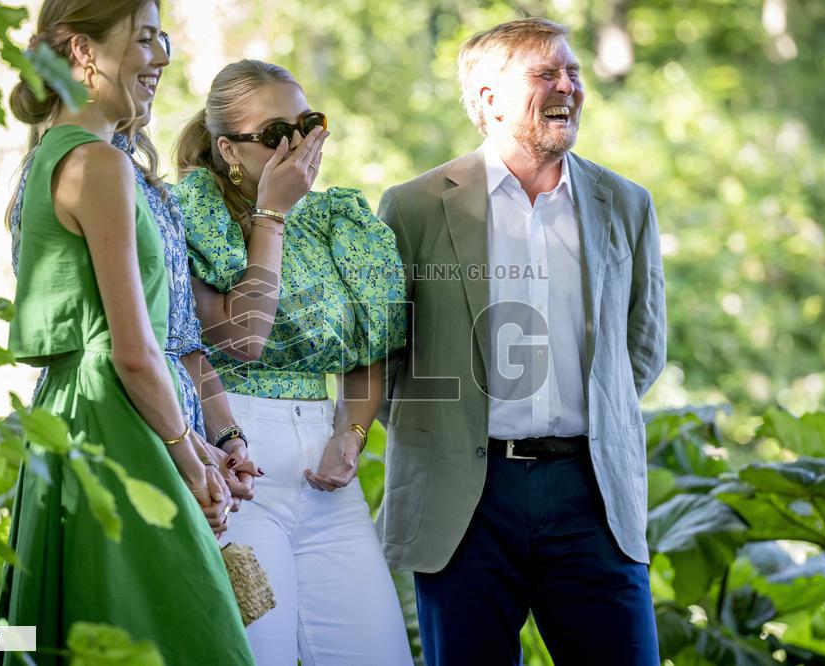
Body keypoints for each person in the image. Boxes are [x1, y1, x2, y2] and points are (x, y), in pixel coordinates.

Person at [378, 18, 666, 665]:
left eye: (574, 73)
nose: (567, 86)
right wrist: (447, 429)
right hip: (464, 503)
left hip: (590, 495)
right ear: (488, 99)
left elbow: (641, 348)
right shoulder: (415, 207)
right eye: (546, 73)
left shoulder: (625, 203)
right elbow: (385, 359)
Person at [0, 1, 253, 663]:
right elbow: (133, 351)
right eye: (145, 39)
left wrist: (202, 441)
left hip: (75, 422)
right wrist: (189, 458)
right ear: (81, 52)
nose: (162, 57)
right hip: (119, 434)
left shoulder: (48, 161)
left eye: (162, 38)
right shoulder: (99, 165)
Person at [174, 59, 413, 666]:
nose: (300, 145)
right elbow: (239, 337)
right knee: (260, 653)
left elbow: (367, 347)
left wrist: (352, 433)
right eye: (278, 133)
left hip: (326, 468)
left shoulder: (339, 218)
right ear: (229, 148)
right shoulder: (190, 211)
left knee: (376, 651)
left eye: (308, 124)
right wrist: (271, 216)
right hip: (237, 457)